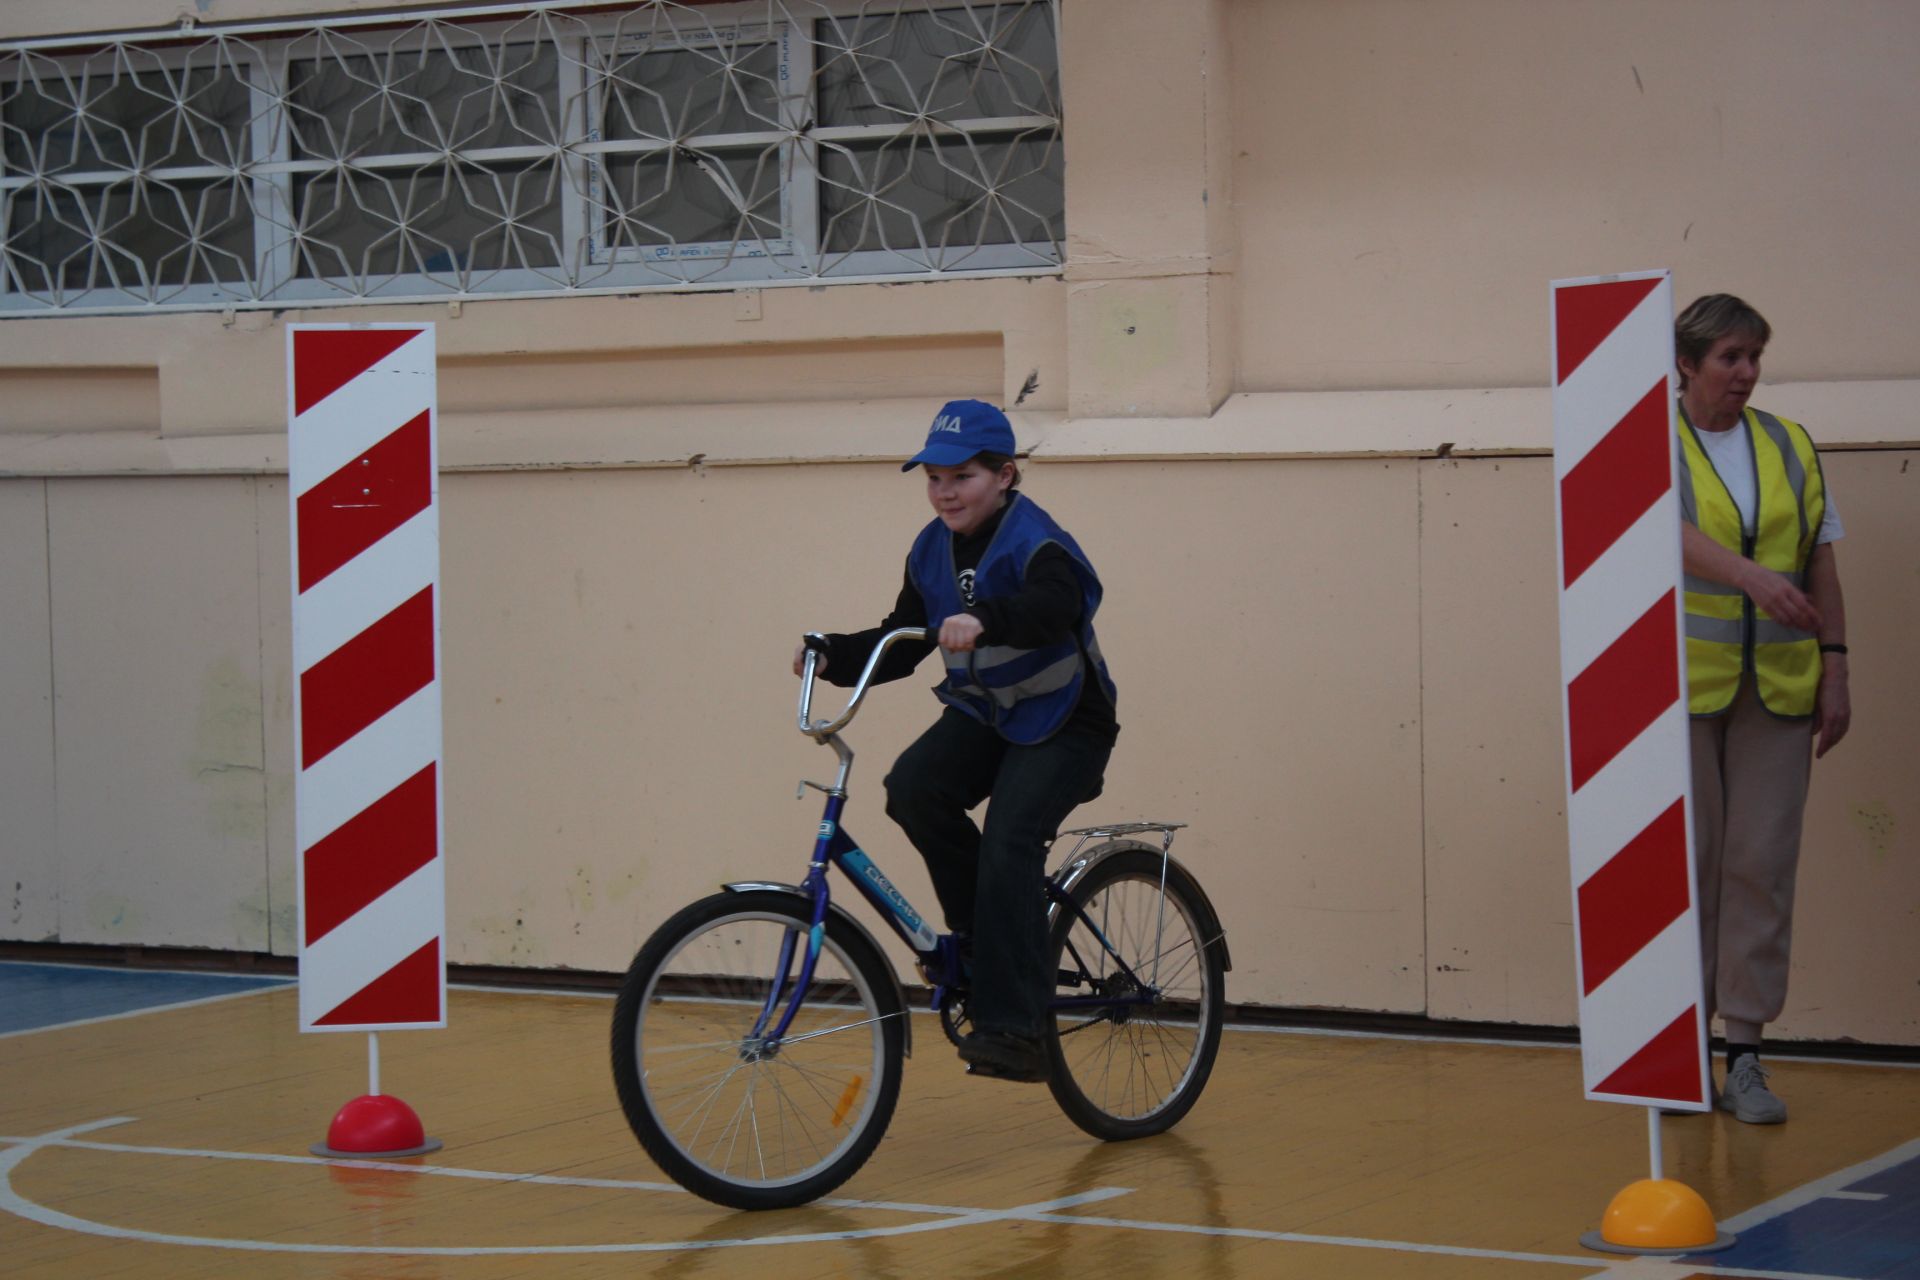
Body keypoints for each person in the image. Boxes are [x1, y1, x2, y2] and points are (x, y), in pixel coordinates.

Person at [792, 399, 1119, 1083]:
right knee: (914, 789)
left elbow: (1060, 604)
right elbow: (902, 641)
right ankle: (982, 945)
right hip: (990, 715)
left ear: (1005, 475)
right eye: (934, 477)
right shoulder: (928, 548)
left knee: (1009, 837)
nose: (945, 491)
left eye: (962, 476)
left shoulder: (1038, 541)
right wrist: (833, 654)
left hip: (1067, 719)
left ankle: (1018, 1027)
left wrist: (986, 618)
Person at [1673, 294, 1850, 1124]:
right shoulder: (1645, 441)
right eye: (1730, 358)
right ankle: (1677, 1056)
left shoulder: (1789, 444)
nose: (1746, 373)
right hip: (1674, 691)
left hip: (1778, 687)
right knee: (1687, 868)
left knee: (1760, 867)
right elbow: (1654, 529)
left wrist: (1837, 670)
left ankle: (1744, 1052)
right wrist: (1748, 578)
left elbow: (1818, 560)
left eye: (1754, 357)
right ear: (1688, 364)